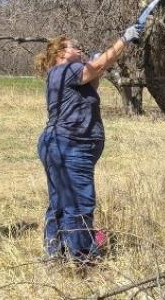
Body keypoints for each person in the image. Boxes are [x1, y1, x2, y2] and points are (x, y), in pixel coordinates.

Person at [34, 22, 142, 262]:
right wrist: (124, 40)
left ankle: (56, 253)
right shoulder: (63, 70)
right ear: (61, 53)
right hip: (69, 146)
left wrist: (98, 64)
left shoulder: (68, 75)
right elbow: (98, 66)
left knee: (60, 201)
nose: (80, 50)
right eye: (75, 47)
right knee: (80, 201)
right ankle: (82, 258)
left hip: (62, 145)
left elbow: (94, 77)